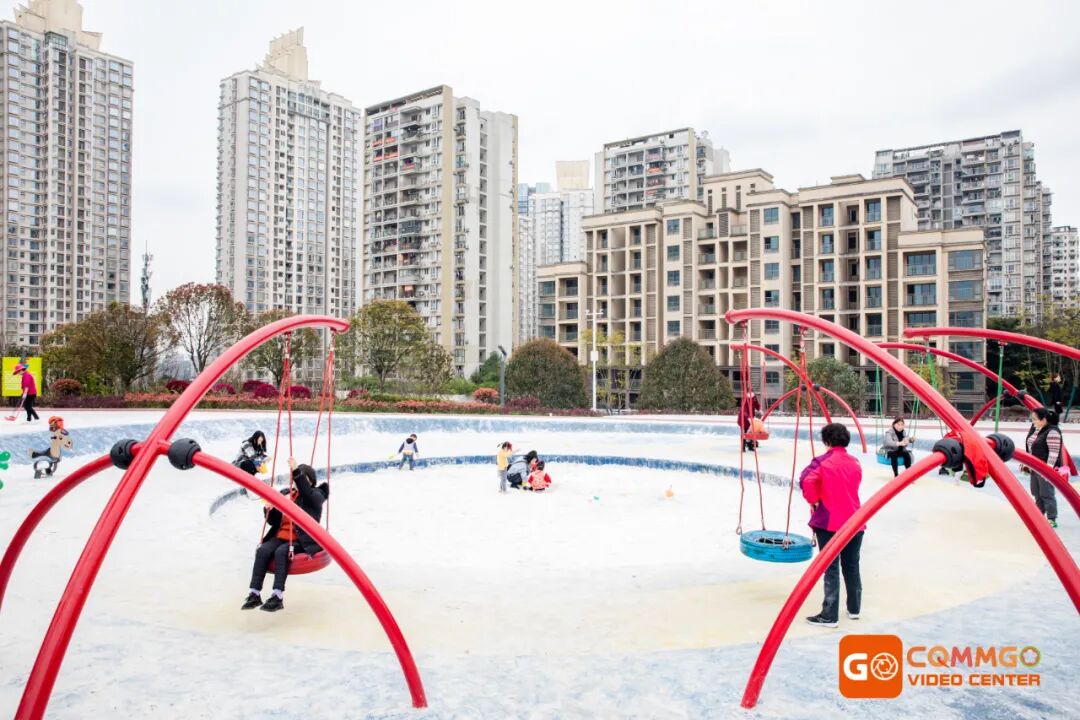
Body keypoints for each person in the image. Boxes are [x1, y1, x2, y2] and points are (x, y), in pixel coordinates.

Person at [799, 423, 864, 628]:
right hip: (855, 521)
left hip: (830, 522)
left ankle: (829, 615)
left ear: (826, 441)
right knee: (852, 566)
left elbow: (806, 480)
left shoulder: (822, 462)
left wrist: (814, 500)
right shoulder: (855, 462)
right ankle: (854, 608)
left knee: (831, 567)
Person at [243, 459, 328, 612]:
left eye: (301, 478)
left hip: (302, 540)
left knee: (281, 552)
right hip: (282, 536)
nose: (296, 481)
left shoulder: (316, 495)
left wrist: (296, 471)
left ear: (310, 481)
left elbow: (307, 493)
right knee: (262, 550)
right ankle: (254, 594)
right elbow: (274, 521)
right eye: (294, 478)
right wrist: (269, 510)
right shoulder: (286, 494)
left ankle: (277, 596)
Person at [1025, 408, 1063, 529]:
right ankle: (1039, 516)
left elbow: (1053, 453)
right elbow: (1030, 447)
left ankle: (1052, 518)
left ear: (1044, 419)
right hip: (1035, 466)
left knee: (1046, 493)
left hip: (1045, 468)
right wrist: (1027, 463)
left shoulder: (1052, 432)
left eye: (1035, 419)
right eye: (1032, 419)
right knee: (1036, 492)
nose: (1033, 421)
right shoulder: (1037, 429)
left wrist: (1047, 471)